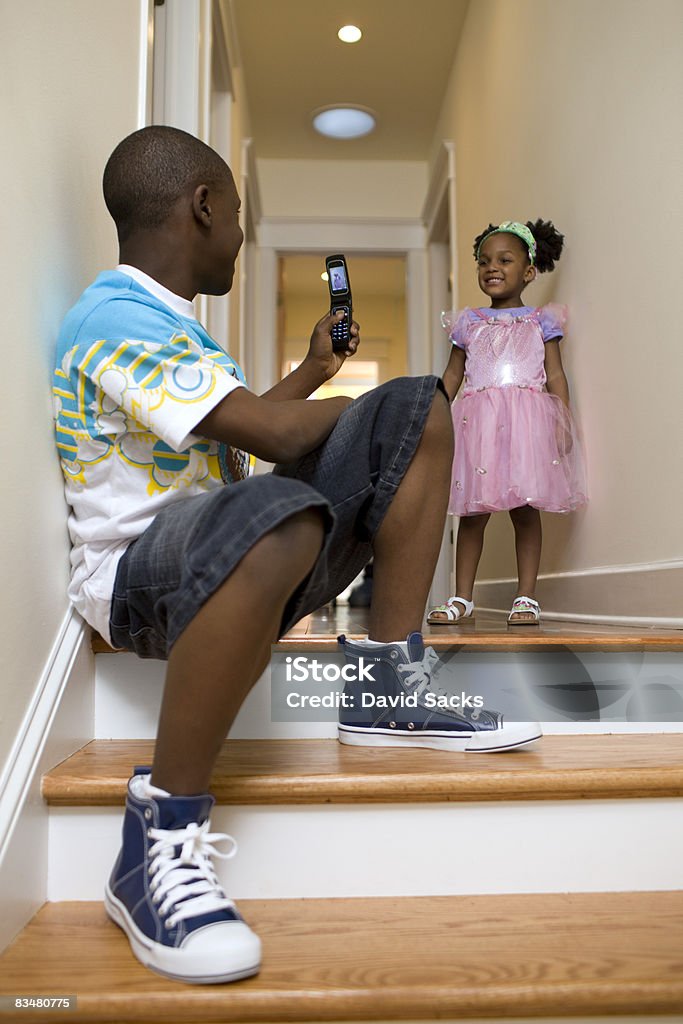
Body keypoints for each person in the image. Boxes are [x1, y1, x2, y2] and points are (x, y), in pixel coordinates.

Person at [53, 128, 539, 986]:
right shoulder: (113, 314)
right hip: (138, 581)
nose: (238, 234)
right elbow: (273, 440)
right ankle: (157, 839)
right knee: (295, 496)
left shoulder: (177, 332)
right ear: (204, 206)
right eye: (236, 215)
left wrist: (317, 373)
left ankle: (386, 685)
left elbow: (237, 446)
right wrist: (355, 415)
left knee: (421, 406)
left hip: (224, 547)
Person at [427, 220, 587, 627]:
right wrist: (432, 412)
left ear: (528, 272)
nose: (491, 267)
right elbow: (452, 376)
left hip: (526, 427)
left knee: (525, 510)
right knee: (473, 514)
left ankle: (526, 596)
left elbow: (555, 375)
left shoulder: (540, 321)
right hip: (477, 427)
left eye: (504, 260)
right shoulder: (468, 323)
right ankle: (463, 596)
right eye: (483, 261)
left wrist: (561, 421)